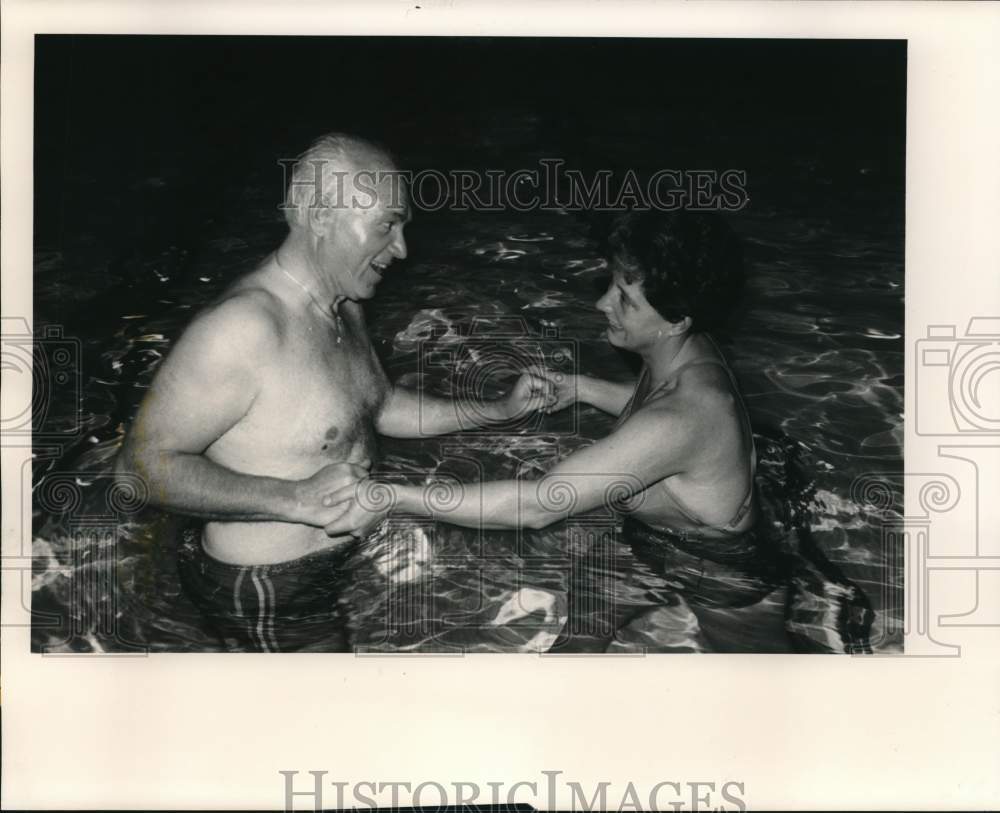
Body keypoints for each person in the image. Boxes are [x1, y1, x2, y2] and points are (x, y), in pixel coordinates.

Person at [116, 133, 553, 652]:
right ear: (321, 216)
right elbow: (137, 469)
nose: (402, 249)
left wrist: (497, 410)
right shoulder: (243, 330)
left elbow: (377, 405)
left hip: (335, 558)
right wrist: (296, 498)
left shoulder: (343, 302)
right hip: (268, 590)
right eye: (387, 225)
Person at [327, 209, 795, 652]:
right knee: (573, 652)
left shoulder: (683, 417)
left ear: (676, 321)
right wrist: (583, 389)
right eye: (612, 284)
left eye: (625, 300)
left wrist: (393, 497)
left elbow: (537, 505)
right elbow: (654, 408)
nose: (602, 302)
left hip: (724, 576)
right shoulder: (690, 354)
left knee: (759, 696)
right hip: (649, 543)